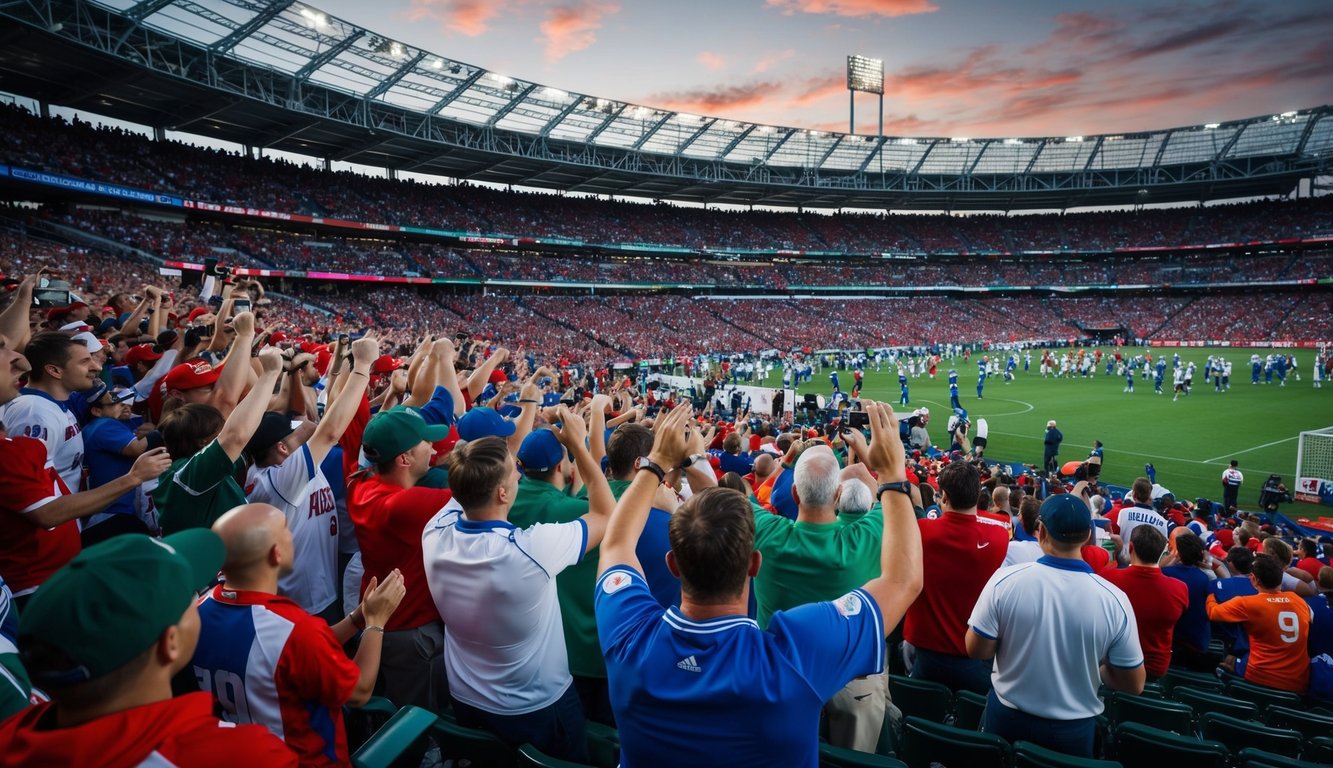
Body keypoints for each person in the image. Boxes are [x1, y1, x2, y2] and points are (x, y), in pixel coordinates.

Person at [593, 403, 922, 767]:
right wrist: (892, 472)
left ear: (673, 564)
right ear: (753, 564)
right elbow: (903, 580)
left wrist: (654, 464)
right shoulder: (794, 652)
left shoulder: (629, 635)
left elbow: (616, 544)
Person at [0, 531, 296, 767]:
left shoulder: (12, 734)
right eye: (190, 594)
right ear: (170, 644)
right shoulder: (244, 756)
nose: (199, 598)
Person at [422, 406, 611, 762]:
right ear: (503, 494)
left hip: (466, 698)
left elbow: (468, 479)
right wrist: (580, 447)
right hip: (536, 706)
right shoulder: (531, 550)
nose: (519, 477)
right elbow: (604, 514)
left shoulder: (434, 531)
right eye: (514, 475)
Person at [191, 503, 406, 766]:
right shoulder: (293, 629)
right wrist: (377, 621)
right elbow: (359, 692)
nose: (292, 533)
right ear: (276, 554)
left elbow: (292, 652)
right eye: (286, 529)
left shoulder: (196, 613)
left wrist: (356, 619)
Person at [965, 493, 1144, 756]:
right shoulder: (1114, 600)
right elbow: (1134, 683)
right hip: (1072, 730)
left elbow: (977, 650)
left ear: (1041, 532)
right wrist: (1094, 671)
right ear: (1086, 537)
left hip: (1006, 717)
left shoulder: (1005, 580)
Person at [750, 438, 889, 752]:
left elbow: (722, 488)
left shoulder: (766, 530)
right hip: (852, 681)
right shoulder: (866, 534)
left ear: (795, 493)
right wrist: (869, 459)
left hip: (777, 675)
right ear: (838, 495)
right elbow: (897, 495)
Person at [242, 336, 376, 618]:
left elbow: (300, 416)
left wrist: (291, 373)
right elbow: (325, 431)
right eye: (293, 432)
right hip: (306, 599)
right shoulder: (281, 479)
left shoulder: (274, 465)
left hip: (313, 586)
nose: (301, 429)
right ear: (281, 447)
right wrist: (362, 366)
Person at [346, 406, 451, 710]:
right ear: (404, 458)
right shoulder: (405, 504)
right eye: (425, 442)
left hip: (380, 624)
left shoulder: (359, 484)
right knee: (417, 723)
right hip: (411, 633)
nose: (433, 448)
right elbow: (485, 490)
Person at [154, 347, 284, 534]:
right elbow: (235, 436)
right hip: (208, 561)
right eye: (218, 432)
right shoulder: (187, 474)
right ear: (203, 442)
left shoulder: (200, 468)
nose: (223, 433)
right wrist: (270, 374)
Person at [905, 461, 1008, 694]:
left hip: (926, 652)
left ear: (945, 496)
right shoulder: (999, 537)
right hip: (975, 657)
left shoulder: (920, 531)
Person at [1, 332, 99, 491]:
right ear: (54, 371)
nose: (96, 367)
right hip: (54, 513)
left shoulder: (51, 404)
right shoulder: (34, 413)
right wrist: (132, 479)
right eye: (85, 361)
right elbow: (29, 493)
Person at [1206, 554, 1313, 694]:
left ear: (1253, 579)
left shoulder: (1248, 603)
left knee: (1222, 663)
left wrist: (1210, 595)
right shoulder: (1299, 601)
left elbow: (1213, 613)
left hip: (1260, 676)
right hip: (1298, 682)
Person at [1100, 526, 1189, 680]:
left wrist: (1116, 554)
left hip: (1113, 665)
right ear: (1163, 551)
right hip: (1155, 669)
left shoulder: (1107, 577)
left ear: (1131, 547)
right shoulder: (1179, 588)